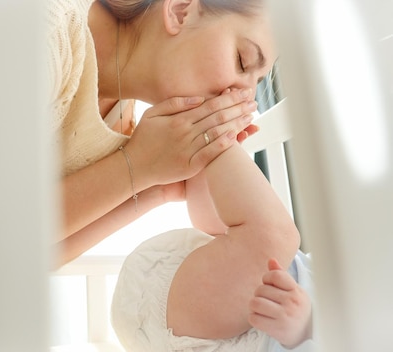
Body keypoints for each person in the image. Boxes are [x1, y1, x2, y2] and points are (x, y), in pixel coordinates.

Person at [48, 0, 275, 268]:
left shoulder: (121, 122)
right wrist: (139, 163)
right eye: (242, 60)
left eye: (255, 84)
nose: (242, 96)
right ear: (180, 11)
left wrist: (161, 187)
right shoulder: (50, 37)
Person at [110, 91, 316, 350]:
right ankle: (206, 147)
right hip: (216, 298)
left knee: (275, 238)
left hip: (260, 333)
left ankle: (213, 131)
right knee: (241, 237)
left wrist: (308, 328)